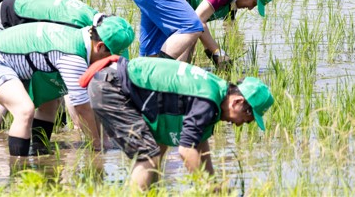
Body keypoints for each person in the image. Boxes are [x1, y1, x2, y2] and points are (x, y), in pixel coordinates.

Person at [85, 56, 274, 191]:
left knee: (158, 146)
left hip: (111, 81)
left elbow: (199, 144)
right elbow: (186, 151)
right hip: (112, 89)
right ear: (238, 102)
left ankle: (153, 192)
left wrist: (215, 187)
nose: (240, 125)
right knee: (148, 155)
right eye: (246, 119)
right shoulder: (207, 100)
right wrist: (207, 188)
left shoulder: (216, 93)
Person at [0, 16, 135, 157]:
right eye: (109, 57)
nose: (108, 63)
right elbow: (82, 109)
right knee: (24, 110)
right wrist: (98, 145)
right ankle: (18, 174)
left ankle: (39, 152)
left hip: (21, 61)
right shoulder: (73, 56)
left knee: (51, 100)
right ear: (99, 46)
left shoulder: (84, 35)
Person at [0, 0, 102, 127]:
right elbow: (74, 87)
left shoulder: (93, 26)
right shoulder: (78, 31)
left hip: (10, 15)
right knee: (12, 88)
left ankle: (45, 140)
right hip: (4, 22)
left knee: (49, 94)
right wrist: (81, 128)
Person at [177, 0, 276, 68]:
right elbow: (197, 21)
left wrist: (213, 51)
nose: (250, 8)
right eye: (253, 3)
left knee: (190, 37)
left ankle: (179, 76)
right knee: (187, 36)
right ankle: (174, 77)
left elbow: (197, 23)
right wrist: (217, 52)